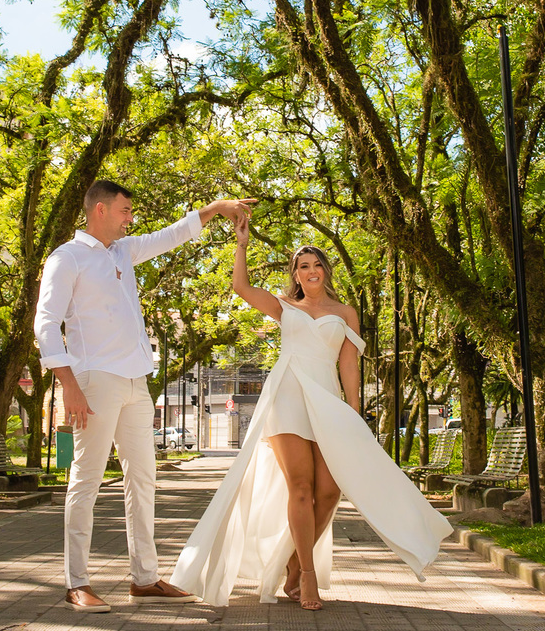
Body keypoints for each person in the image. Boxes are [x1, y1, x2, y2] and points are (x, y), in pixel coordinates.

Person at [170, 218, 453, 609]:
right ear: (296, 276)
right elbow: (241, 287)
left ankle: (290, 560)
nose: (311, 270)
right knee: (300, 488)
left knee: (330, 491)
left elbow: (349, 364)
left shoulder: (346, 311)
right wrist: (241, 244)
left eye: (316, 264)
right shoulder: (284, 307)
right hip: (287, 395)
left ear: (326, 271)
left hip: (328, 400)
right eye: (303, 266)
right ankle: (306, 576)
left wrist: (354, 411)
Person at [34, 179, 254, 613]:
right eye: (124, 210)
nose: (130, 217)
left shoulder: (122, 251)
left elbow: (170, 236)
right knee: (88, 479)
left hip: (137, 382)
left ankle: (145, 578)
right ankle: (77, 582)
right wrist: (69, 383)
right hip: (93, 380)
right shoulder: (67, 258)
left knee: (144, 480)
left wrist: (215, 207)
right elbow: (45, 323)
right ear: (100, 210)